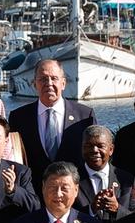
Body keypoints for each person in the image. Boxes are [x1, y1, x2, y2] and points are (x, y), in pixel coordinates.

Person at [7, 59, 96, 192]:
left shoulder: (84, 115)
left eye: (54, 78)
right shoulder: (18, 118)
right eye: (43, 79)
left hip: (75, 197)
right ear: (34, 84)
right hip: (34, 195)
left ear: (63, 83)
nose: (49, 83)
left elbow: (93, 157)